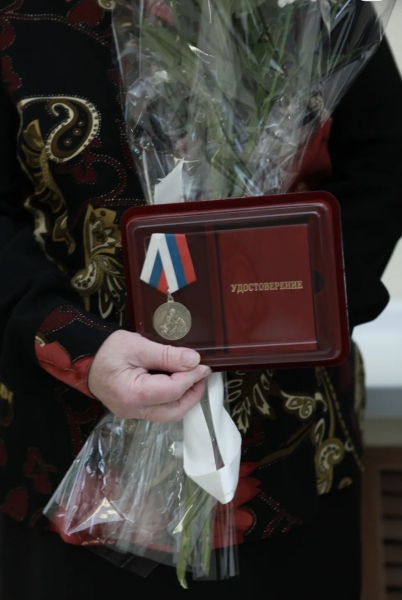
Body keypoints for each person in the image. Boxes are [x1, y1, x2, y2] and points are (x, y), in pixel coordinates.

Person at [0, 2, 401, 599]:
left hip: (289, 448)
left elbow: (382, 164)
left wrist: (291, 302)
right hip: (67, 456)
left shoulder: (313, 6)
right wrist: (78, 343)